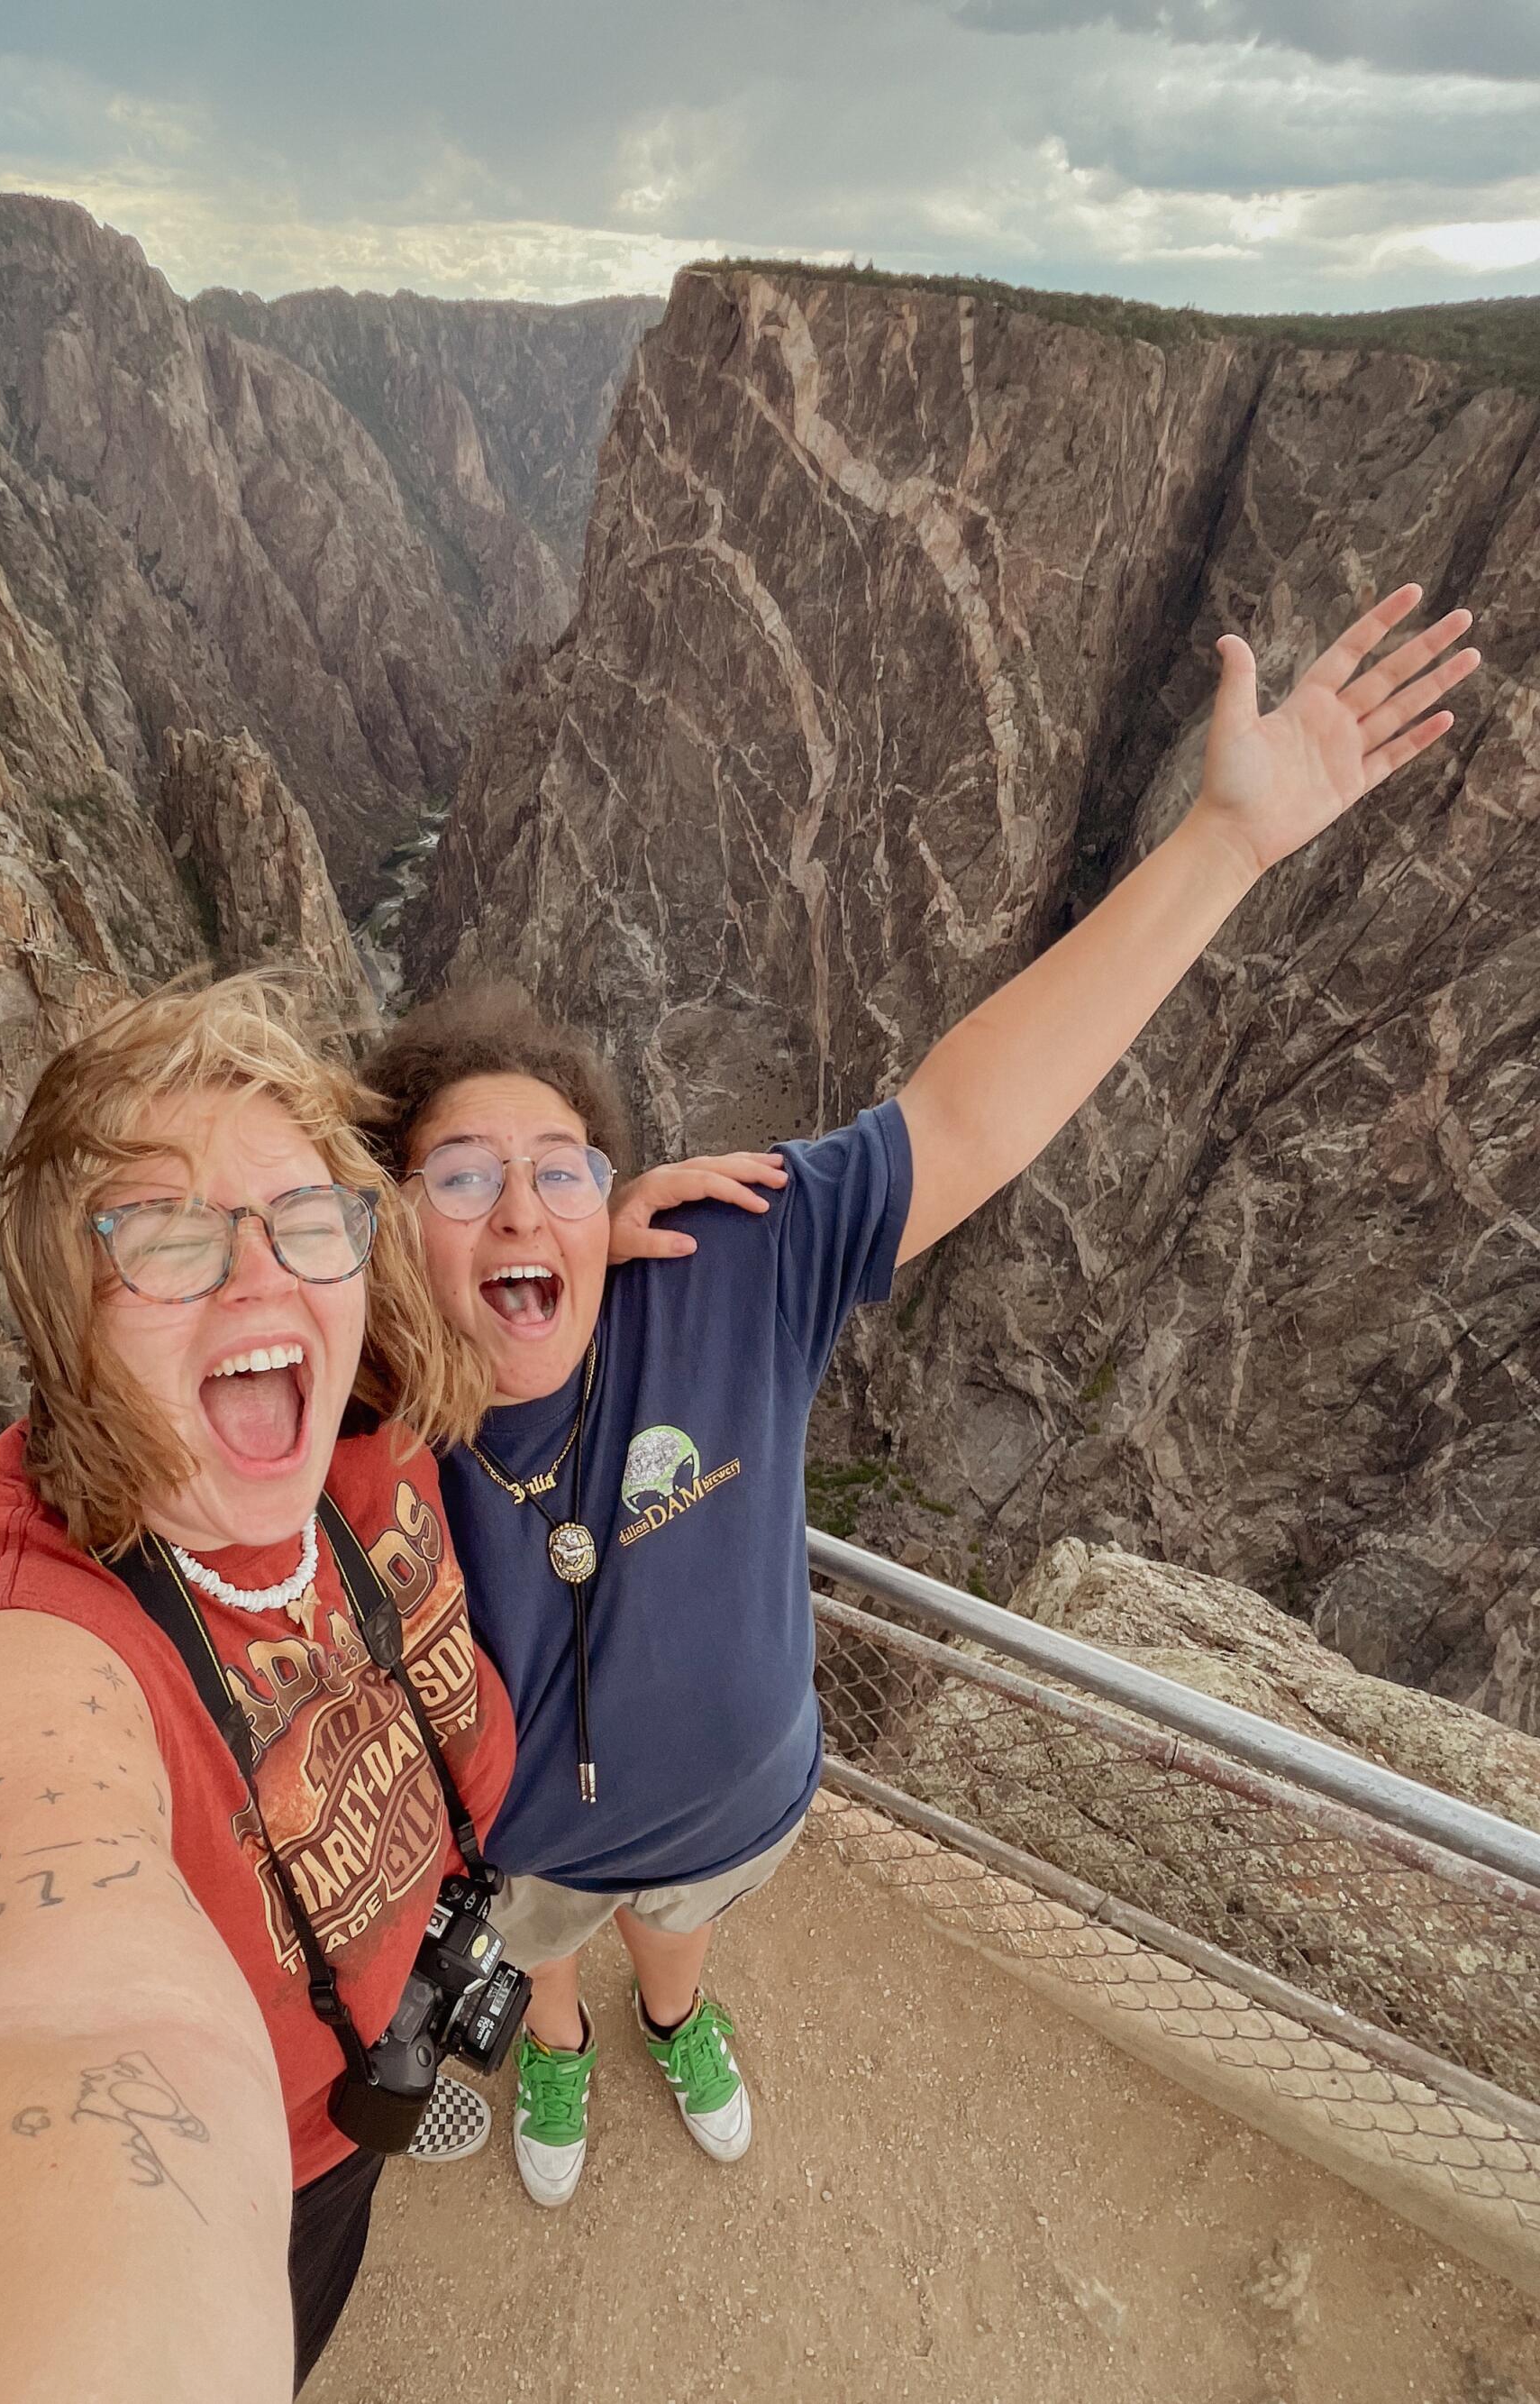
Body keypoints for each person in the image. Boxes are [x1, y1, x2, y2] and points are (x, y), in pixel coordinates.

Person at [360, 586, 1479, 2208]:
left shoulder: (720, 1268)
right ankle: (553, 2043)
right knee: (545, 1941)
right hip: (522, 1846)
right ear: (388, 1216)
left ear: (617, 1189)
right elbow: (206, 1291)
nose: (524, 1202)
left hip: (740, 1805)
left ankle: (670, 2018)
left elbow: (962, 1117)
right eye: (464, 1172)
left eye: (561, 1165)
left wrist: (1225, 847)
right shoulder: (358, 1401)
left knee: (676, 1930)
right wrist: (483, 1251)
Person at [0, 976, 519, 2403]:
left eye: (308, 1221)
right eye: (169, 1239)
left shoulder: (364, 1420)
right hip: (269, 2170)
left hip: (374, 2080)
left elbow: (518, 1268)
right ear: (65, 1317)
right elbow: (55, 2018)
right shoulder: (14, 1638)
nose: (263, 1280)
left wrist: (613, 1214)